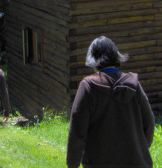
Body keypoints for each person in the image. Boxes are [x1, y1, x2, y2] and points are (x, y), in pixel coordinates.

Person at [66, 36, 155, 168]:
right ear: (115, 56)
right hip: (136, 162)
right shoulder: (133, 85)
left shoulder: (88, 86)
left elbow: (77, 132)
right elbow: (149, 123)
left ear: (93, 61)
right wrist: (138, 150)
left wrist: (72, 164)